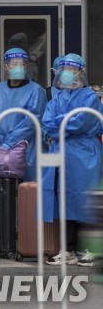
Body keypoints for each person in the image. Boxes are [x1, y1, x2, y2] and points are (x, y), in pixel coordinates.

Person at [41, 54, 102, 266]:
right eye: (63, 68)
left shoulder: (89, 97)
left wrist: (61, 125)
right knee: (65, 201)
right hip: (63, 154)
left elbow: (82, 122)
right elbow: (47, 123)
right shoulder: (58, 98)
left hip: (84, 154)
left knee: (85, 200)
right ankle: (67, 249)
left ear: (80, 72)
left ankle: (88, 250)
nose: (66, 72)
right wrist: (65, 123)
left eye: (70, 68)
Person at [0, 48, 47, 181]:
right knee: (0, 194)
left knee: (27, 193)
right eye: (14, 64)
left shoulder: (36, 90)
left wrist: (9, 145)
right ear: (6, 66)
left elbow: (31, 121)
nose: (18, 67)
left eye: (22, 64)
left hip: (27, 149)